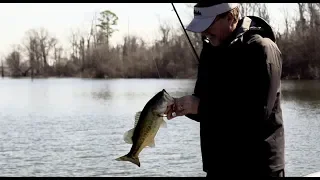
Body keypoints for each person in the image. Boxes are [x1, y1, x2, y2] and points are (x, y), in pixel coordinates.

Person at [165, 2, 285, 177]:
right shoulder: (210, 51)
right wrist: (185, 107)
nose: (203, 32)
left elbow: (256, 115)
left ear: (230, 18)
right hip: (219, 167)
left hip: (257, 168)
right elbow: (207, 109)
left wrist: (200, 107)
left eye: (208, 25)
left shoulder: (262, 49)